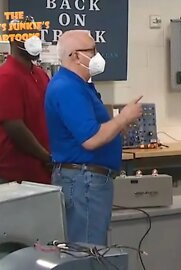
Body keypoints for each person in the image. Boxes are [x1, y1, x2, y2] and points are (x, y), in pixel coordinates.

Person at [45, 30, 142, 246]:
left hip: (87, 181)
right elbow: (91, 139)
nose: (98, 56)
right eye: (92, 50)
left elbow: (92, 128)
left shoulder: (79, 86)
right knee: (88, 251)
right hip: (83, 182)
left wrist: (118, 126)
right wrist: (123, 117)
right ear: (75, 56)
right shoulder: (67, 88)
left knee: (92, 246)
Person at [0, 16, 51, 184]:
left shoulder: (39, 74)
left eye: (36, 35)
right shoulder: (7, 76)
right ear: (14, 40)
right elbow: (15, 127)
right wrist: (46, 157)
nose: (35, 40)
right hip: (15, 175)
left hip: (40, 172)